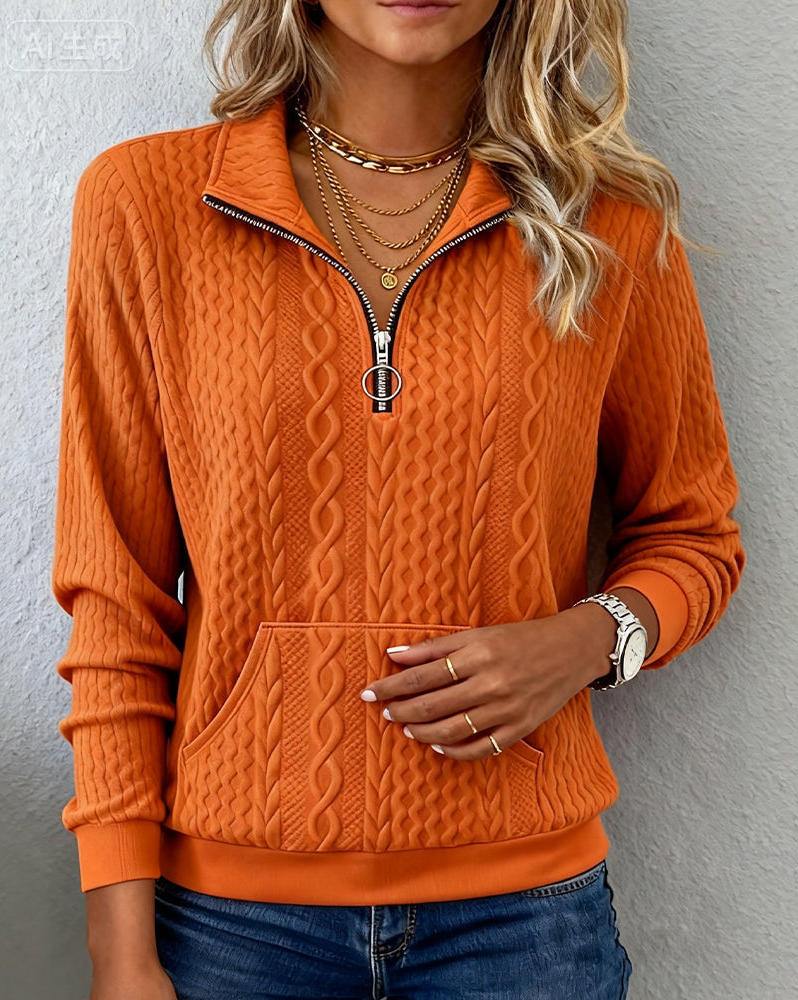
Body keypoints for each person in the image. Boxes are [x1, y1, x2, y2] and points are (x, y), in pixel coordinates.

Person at [53, 1, 744, 997]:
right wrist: (118, 952)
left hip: (525, 927)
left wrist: (586, 640)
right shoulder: (148, 204)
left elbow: (695, 536)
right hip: (230, 926)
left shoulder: (607, 222)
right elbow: (114, 597)